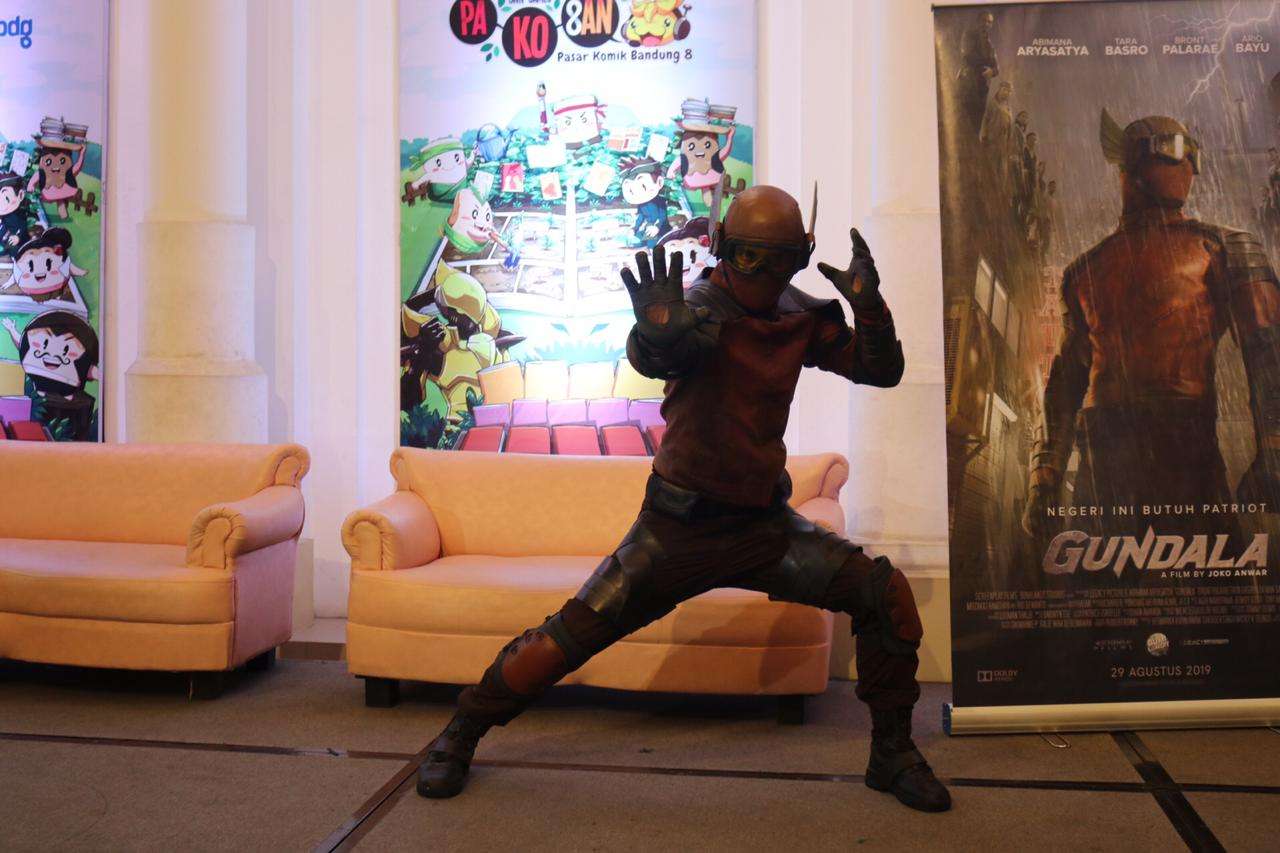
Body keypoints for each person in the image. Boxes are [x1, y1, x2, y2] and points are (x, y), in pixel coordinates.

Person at [416, 185, 951, 814]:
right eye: (748, 257)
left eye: (778, 261)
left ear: (801, 258)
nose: (760, 275)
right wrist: (655, 330)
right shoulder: (695, 311)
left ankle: (893, 753)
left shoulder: (799, 315)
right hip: (675, 530)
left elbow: (879, 370)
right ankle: (462, 730)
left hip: (764, 528)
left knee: (884, 594)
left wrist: (871, 308)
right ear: (724, 247)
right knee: (565, 639)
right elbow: (664, 351)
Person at [1023, 111, 1280, 563]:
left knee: (1154, 590)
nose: (1191, 169)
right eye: (1183, 155)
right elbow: (1065, 384)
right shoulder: (1221, 248)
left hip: (1155, 454)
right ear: (1141, 164)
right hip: (1143, 455)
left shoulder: (1089, 269)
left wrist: (1046, 477)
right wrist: (1044, 478)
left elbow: (1269, 351)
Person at [958, 12, 998, 137]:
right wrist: (987, 64)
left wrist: (992, 71)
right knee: (964, 119)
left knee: (977, 121)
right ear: (978, 21)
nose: (986, 24)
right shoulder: (969, 35)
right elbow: (968, 56)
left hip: (982, 86)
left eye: (989, 22)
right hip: (968, 83)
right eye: (984, 21)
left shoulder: (990, 45)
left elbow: (997, 67)